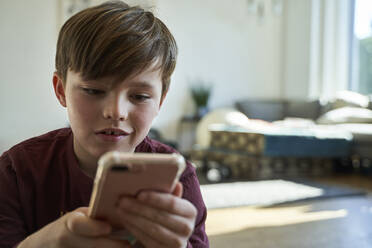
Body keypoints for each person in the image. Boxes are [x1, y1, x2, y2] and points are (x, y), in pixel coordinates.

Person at [0, 1, 209, 247]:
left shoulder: (179, 179)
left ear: (160, 100)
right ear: (61, 90)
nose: (116, 112)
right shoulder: (17, 171)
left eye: (139, 96)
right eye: (93, 91)